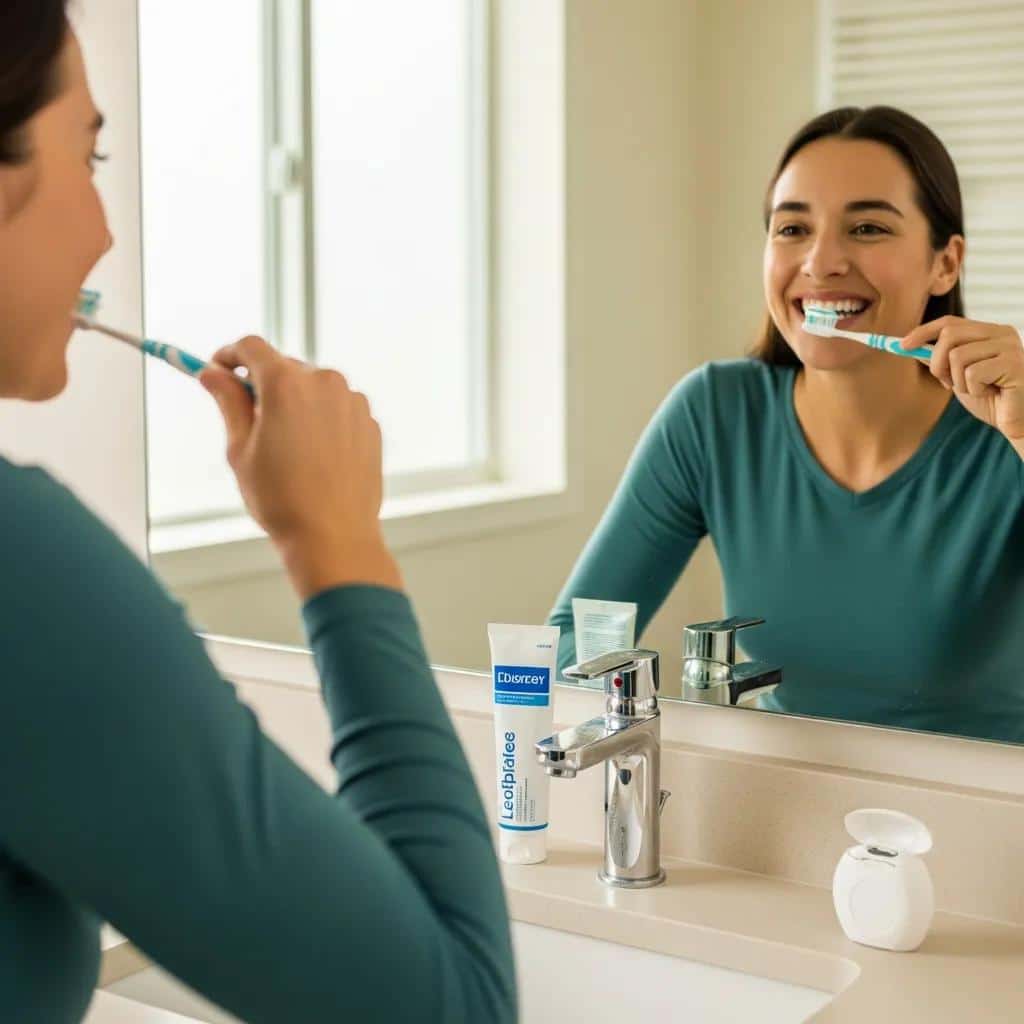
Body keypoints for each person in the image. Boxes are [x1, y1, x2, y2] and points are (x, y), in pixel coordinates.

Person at [0, 6, 515, 1022]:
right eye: (89, 156)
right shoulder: (18, 571)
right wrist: (335, 540)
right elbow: (453, 1006)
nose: (106, 230)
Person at [550, 106, 1024, 743]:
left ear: (945, 262)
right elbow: (576, 642)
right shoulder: (714, 415)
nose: (821, 261)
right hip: (783, 804)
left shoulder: (1005, 430)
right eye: (792, 227)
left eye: (867, 227)